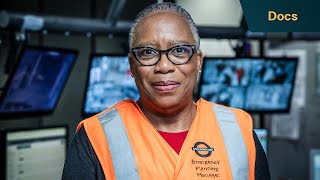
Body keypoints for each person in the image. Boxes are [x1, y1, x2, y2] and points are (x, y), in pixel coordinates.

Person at [62, 2, 270, 179]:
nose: (163, 66)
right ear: (132, 66)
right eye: (147, 52)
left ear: (198, 62)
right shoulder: (95, 137)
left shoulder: (238, 131)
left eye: (179, 50)